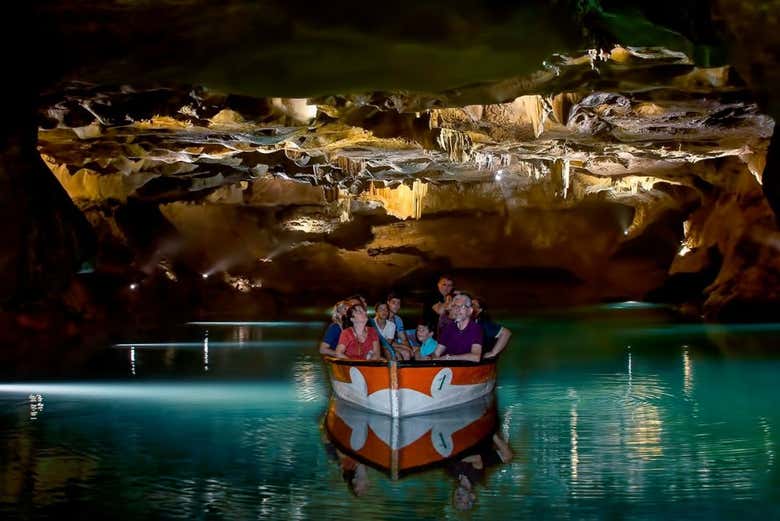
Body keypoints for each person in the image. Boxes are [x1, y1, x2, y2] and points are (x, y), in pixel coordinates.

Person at [447, 432, 513, 511]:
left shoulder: (453, 474)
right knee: (508, 456)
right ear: (472, 496)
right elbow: (477, 458)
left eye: (456, 501)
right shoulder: (475, 477)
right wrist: (458, 459)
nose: (458, 498)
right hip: (476, 447)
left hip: (463, 442)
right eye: (462, 501)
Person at [434, 293, 483, 362]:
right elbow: (436, 353)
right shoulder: (448, 328)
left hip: (464, 369)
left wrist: (449, 358)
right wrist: (429, 358)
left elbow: (475, 357)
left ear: (470, 310)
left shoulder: (475, 329)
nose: (457, 310)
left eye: (462, 307)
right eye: (455, 306)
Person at [386, 292, 414, 360]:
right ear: (388, 303)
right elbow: (384, 341)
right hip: (383, 346)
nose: (396, 305)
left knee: (411, 352)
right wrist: (405, 347)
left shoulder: (397, 319)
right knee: (405, 353)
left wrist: (409, 348)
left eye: (398, 303)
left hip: (393, 345)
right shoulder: (382, 317)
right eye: (394, 303)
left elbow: (404, 338)